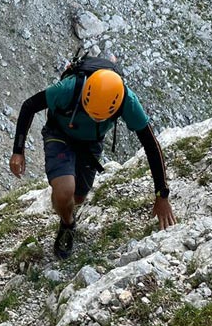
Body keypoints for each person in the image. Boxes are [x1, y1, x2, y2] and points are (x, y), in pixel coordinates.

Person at [9, 59, 176, 258]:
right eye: (92, 113)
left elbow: (151, 145)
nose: (95, 118)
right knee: (64, 191)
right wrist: (18, 150)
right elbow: (29, 106)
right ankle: (67, 225)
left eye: (100, 117)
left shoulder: (127, 101)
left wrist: (162, 195)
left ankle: (67, 214)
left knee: (78, 197)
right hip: (59, 134)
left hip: (91, 143)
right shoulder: (68, 89)